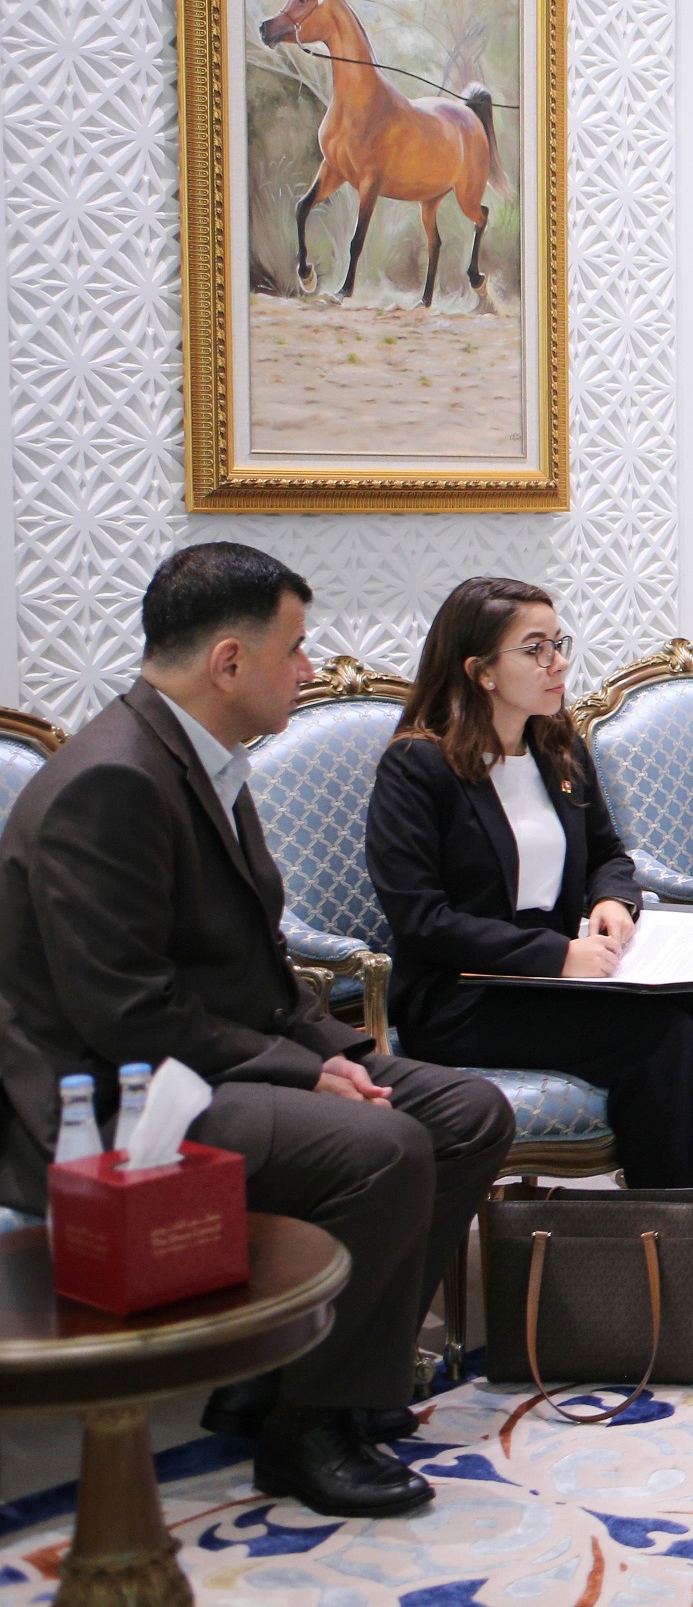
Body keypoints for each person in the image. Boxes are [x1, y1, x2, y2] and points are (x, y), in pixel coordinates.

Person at [0, 543, 512, 1517]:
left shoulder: (198, 759)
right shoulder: (112, 782)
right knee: (384, 1146)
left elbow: (258, 973)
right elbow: (126, 1012)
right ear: (229, 661)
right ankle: (310, 1429)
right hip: (110, 1099)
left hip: (203, 1062)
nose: (310, 671)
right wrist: (302, 1074)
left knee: (466, 1111)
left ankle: (293, 1369)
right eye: (296, 650)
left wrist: (337, 1054)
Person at [368, 577, 693, 1347]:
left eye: (559, 643)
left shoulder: (556, 745)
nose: (558, 662)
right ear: (479, 670)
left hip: (567, 974)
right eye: (535, 649)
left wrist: (613, 903)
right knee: (659, 1040)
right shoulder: (417, 768)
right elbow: (422, 920)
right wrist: (556, 953)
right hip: (466, 997)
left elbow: (609, 855)